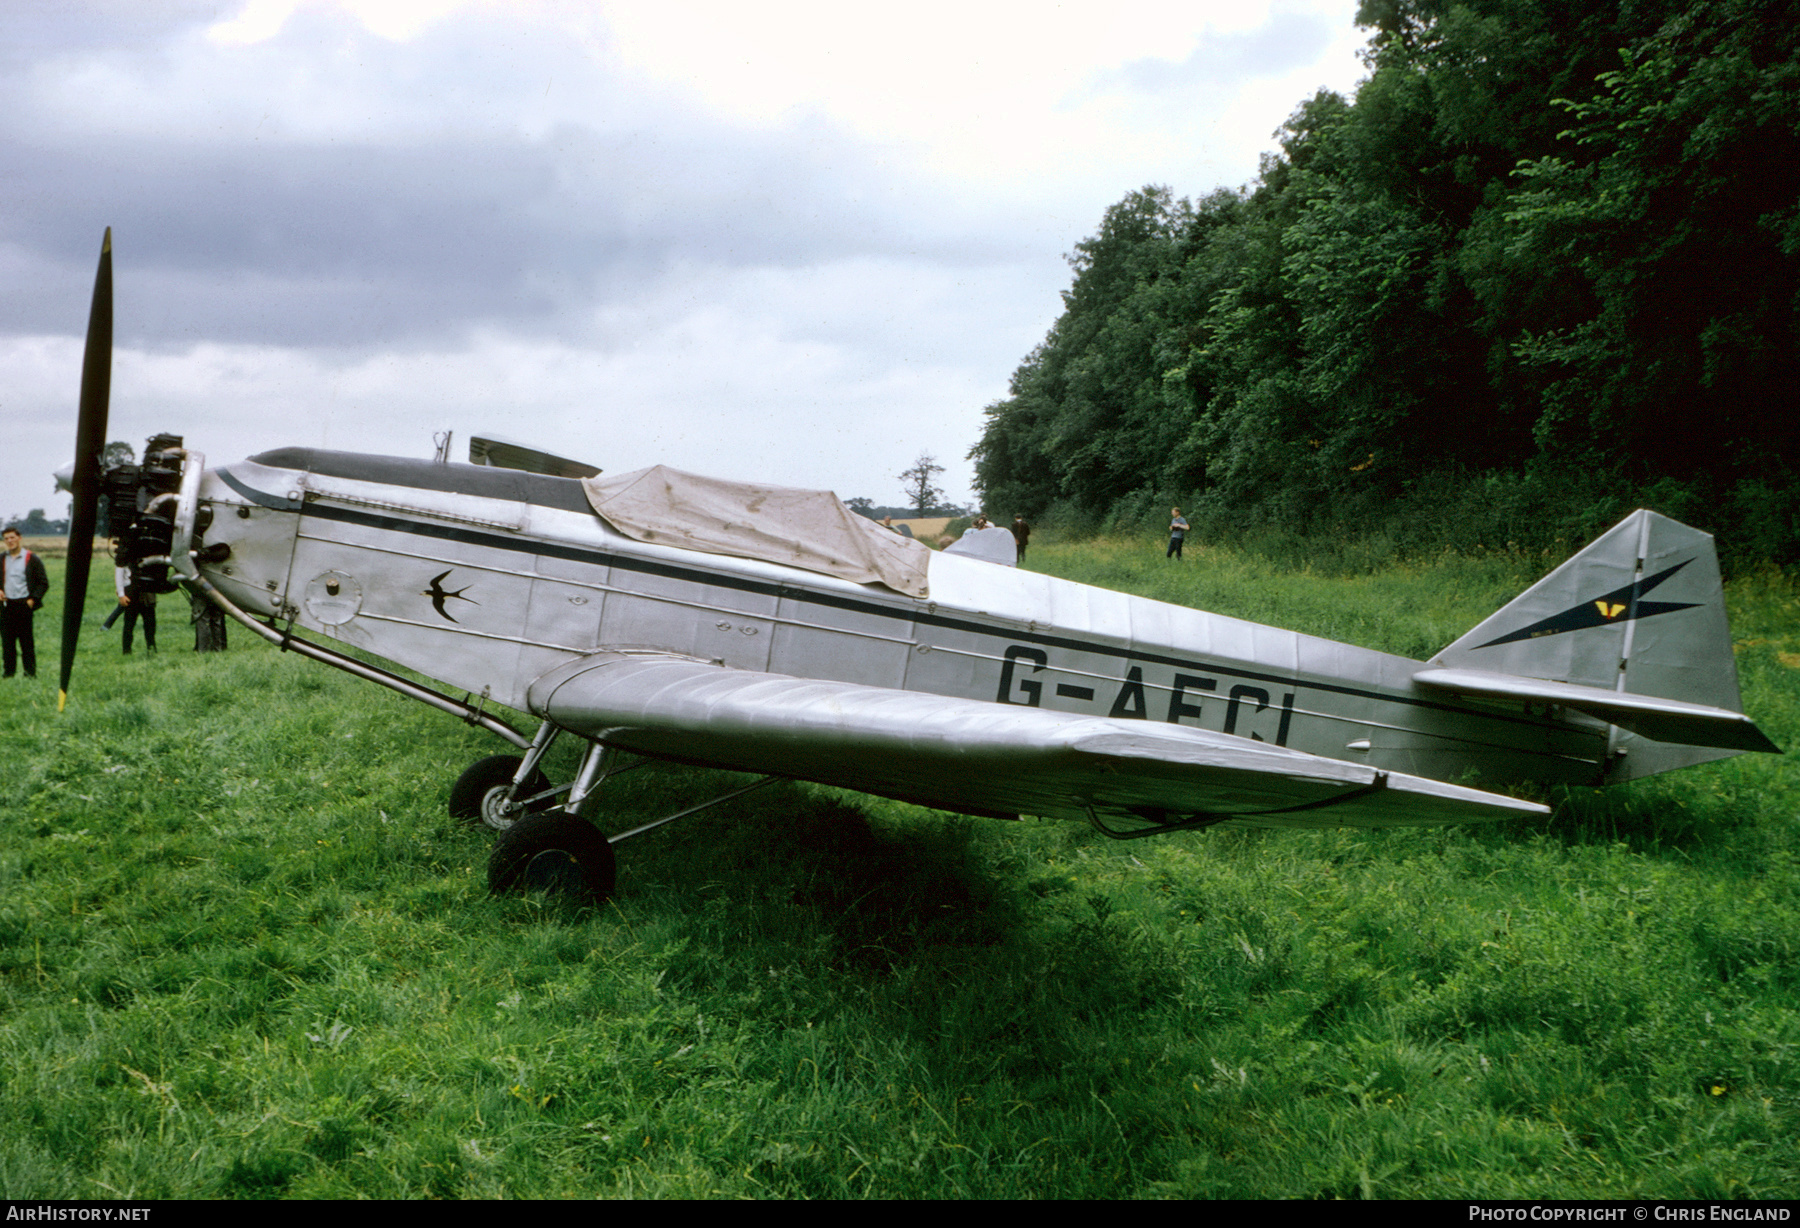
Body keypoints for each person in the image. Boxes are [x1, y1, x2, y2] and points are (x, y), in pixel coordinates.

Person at [1, 526, 49, 678]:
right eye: (6, 538)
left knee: (26, 642)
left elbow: (43, 583)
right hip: (6, 605)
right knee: (7, 643)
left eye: (12, 537)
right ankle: (9, 673)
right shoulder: (1, 559)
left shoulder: (31, 558)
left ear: (19, 538)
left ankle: (30, 673)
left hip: (24, 605)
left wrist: (33, 600)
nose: (10, 541)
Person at [114, 564, 156, 654]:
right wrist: (121, 594)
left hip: (147, 589)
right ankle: (126, 651)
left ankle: (152, 648)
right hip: (131, 591)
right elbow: (119, 571)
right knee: (129, 623)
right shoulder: (125, 554)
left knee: (150, 623)